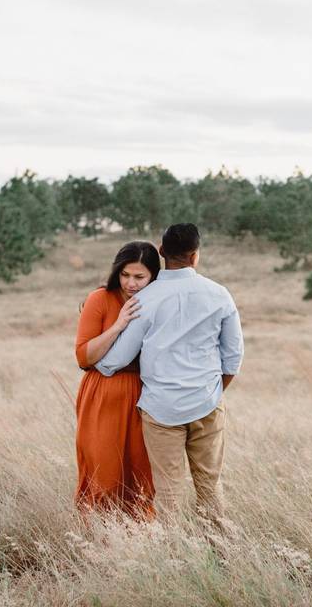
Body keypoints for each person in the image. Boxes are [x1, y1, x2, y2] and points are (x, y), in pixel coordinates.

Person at [96, 223, 243, 523]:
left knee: (168, 493)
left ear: (161, 251)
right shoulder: (219, 294)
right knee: (210, 487)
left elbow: (114, 361)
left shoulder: (145, 300)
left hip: (161, 409)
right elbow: (233, 358)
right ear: (195, 256)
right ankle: (222, 555)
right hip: (207, 404)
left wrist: (95, 351)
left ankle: (171, 557)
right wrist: (213, 392)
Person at [74, 241, 159, 518]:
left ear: (153, 277)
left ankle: (138, 544)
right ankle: (97, 539)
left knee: (140, 472)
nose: (131, 283)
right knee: (104, 471)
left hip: (142, 394)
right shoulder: (100, 298)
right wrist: (118, 325)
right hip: (103, 391)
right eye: (125, 275)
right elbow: (83, 357)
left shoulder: (157, 300)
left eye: (139, 277)